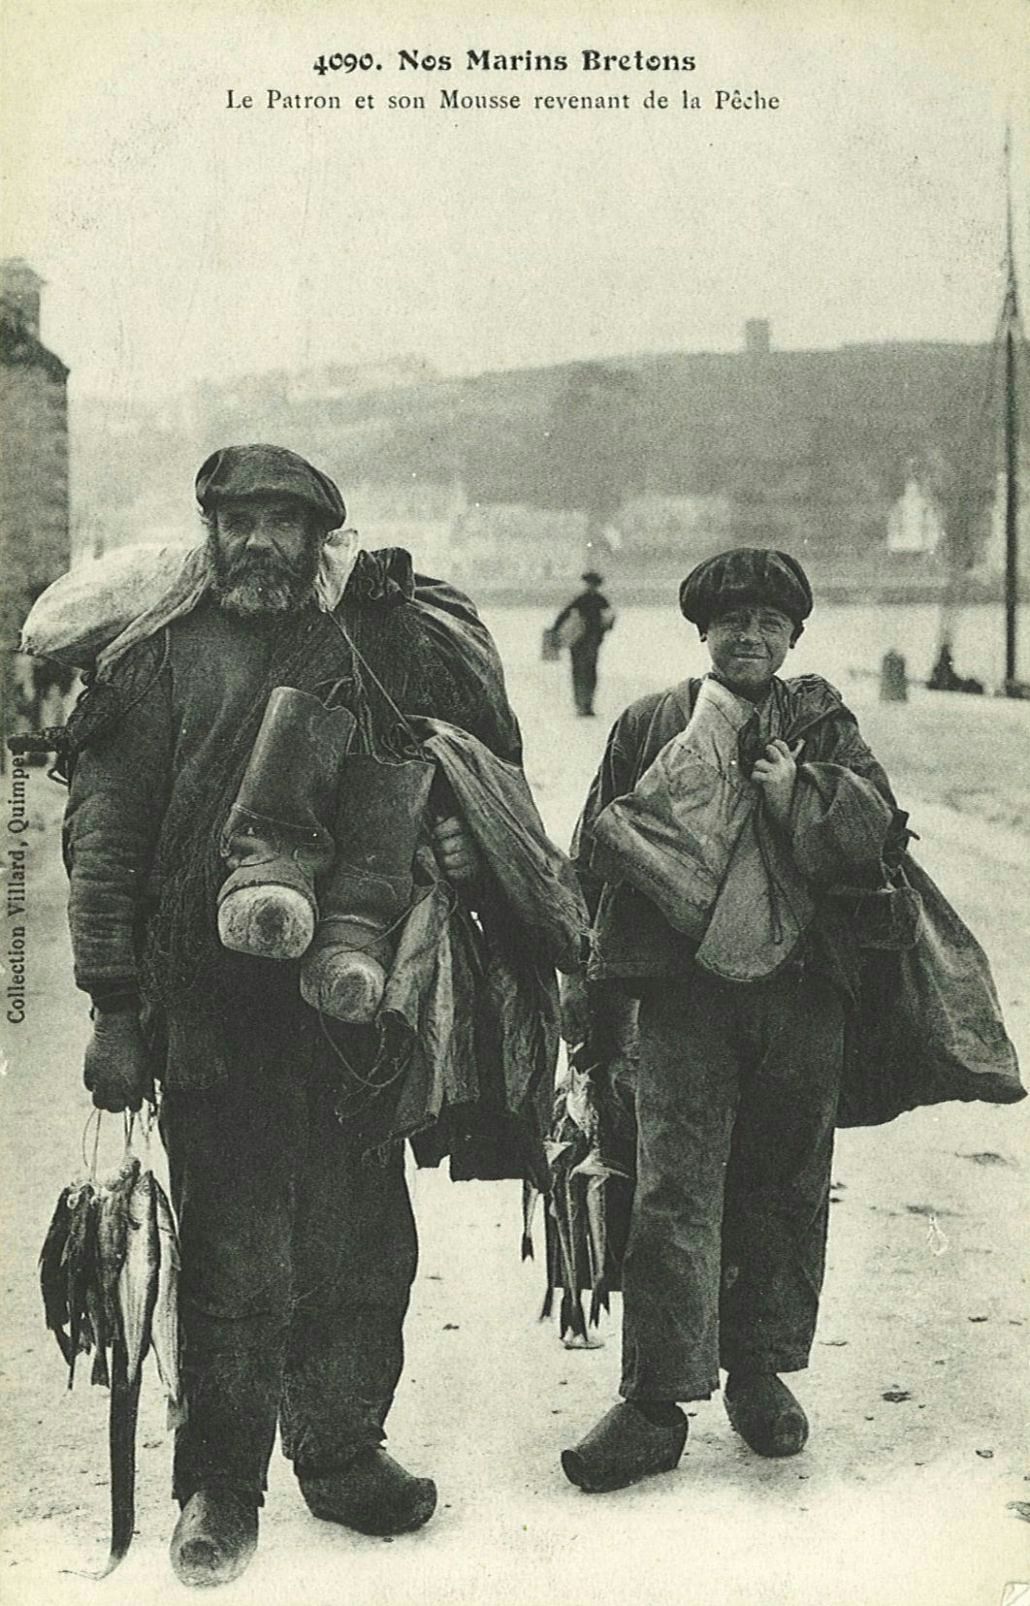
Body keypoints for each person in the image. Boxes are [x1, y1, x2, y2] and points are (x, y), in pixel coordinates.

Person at [60, 445, 536, 1586]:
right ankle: (221, 1487)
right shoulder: (153, 660)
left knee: (360, 1241)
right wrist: (113, 1007)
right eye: (241, 520)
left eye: (287, 522)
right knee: (233, 1256)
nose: (262, 542)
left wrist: (459, 824)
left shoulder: (369, 645)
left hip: (351, 1006)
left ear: (324, 537)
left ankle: (341, 1448)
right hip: (209, 1008)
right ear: (208, 531)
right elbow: (105, 841)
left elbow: (464, 766)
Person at [558, 546, 1023, 1494]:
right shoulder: (653, 720)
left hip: (804, 997)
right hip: (681, 1000)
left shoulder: (823, 723)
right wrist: (590, 1010)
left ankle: (760, 1374)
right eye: (732, 620)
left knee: (785, 1186)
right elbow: (592, 852)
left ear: (795, 634)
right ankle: (655, 1400)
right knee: (670, 1191)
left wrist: (795, 792)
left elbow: (878, 837)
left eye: (770, 621)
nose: (750, 635)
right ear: (701, 631)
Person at [551, 570, 615, 716]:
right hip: (588, 641)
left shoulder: (583, 599)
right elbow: (610, 619)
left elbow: (563, 616)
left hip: (581, 641)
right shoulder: (599, 600)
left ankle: (584, 704)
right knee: (587, 672)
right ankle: (584, 705)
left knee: (582, 672)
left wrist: (555, 632)